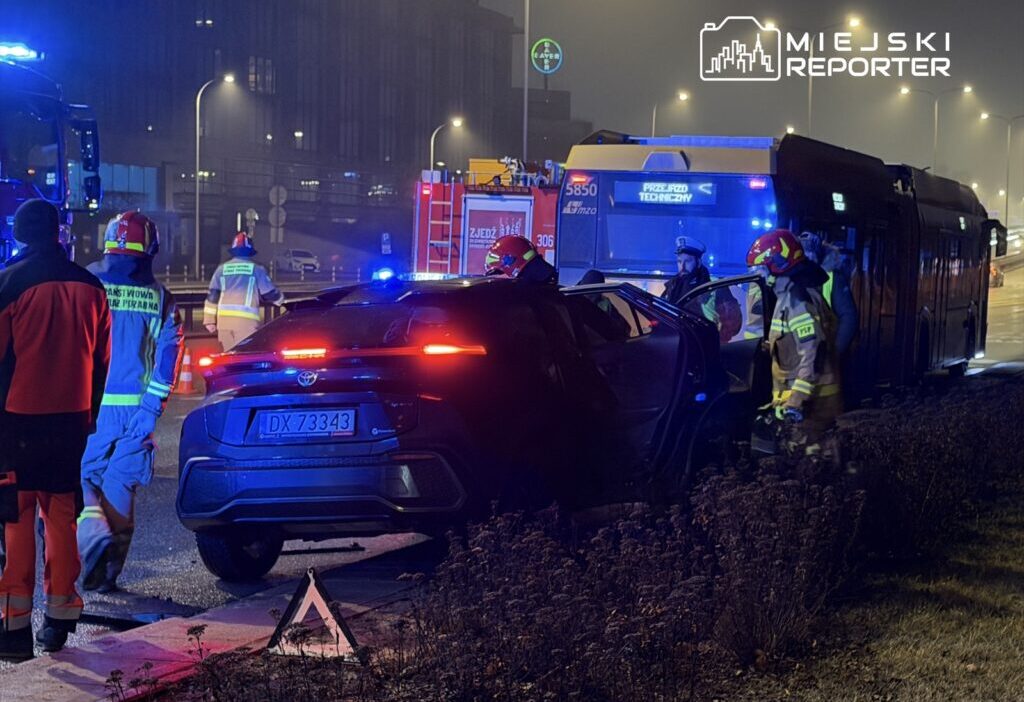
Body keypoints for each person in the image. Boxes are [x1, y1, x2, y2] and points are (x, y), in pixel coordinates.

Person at [0, 199, 111, 660]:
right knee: (61, 516)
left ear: (21, 234)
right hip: (71, 421)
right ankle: (62, 616)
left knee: (16, 520)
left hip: (16, 422)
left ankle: (13, 629)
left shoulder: (9, 284)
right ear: (59, 234)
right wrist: (88, 415)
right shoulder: (92, 287)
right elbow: (101, 362)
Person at [77, 212, 183, 594]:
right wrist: (150, 412)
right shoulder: (160, 297)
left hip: (88, 407)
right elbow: (167, 361)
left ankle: (93, 539)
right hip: (137, 411)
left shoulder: (86, 282)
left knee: (82, 479)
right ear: (150, 250)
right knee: (121, 485)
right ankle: (108, 575)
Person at [746, 229, 841, 444]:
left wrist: (795, 403)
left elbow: (813, 355)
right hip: (805, 406)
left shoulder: (797, 301)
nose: (757, 275)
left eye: (760, 268)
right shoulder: (786, 295)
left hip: (812, 408)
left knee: (810, 465)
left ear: (777, 266)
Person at [204, 233, 284, 351]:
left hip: (224, 323)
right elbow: (269, 293)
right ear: (250, 251)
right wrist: (283, 300)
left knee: (228, 358)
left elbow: (212, 296)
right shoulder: (256, 269)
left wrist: (209, 320)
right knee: (243, 358)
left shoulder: (221, 269)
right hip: (246, 324)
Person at [661, 235, 742, 343]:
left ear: (698, 262)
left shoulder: (715, 286)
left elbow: (733, 323)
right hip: (675, 346)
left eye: (688, 261)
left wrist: (714, 345)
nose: (682, 266)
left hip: (704, 348)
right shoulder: (672, 287)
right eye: (679, 261)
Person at [799, 232, 857, 355]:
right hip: (800, 353)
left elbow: (848, 318)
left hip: (824, 349)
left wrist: (833, 354)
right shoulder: (793, 277)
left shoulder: (832, 277)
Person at [483, 235, 558, 284]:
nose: (495, 281)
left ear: (509, 262)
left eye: (499, 274)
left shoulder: (517, 298)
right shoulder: (548, 283)